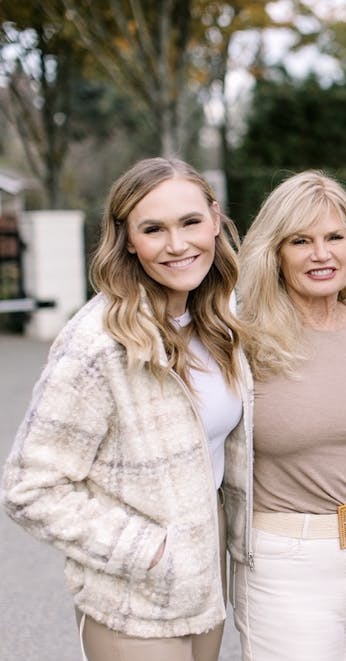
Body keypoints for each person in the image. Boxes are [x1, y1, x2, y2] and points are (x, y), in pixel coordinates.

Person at [2, 157, 252, 661]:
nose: (178, 244)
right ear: (128, 241)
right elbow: (30, 488)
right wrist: (152, 552)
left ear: (215, 218)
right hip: (132, 602)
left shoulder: (220, 321)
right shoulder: (99, 342)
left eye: (190, 222)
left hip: (204, 586)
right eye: (153, 229)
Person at [233, 171, 346, 660]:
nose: (321, 254)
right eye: (301, 241)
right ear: (276, 252)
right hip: (286, 566)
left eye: (335, 237)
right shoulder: (244, 342)